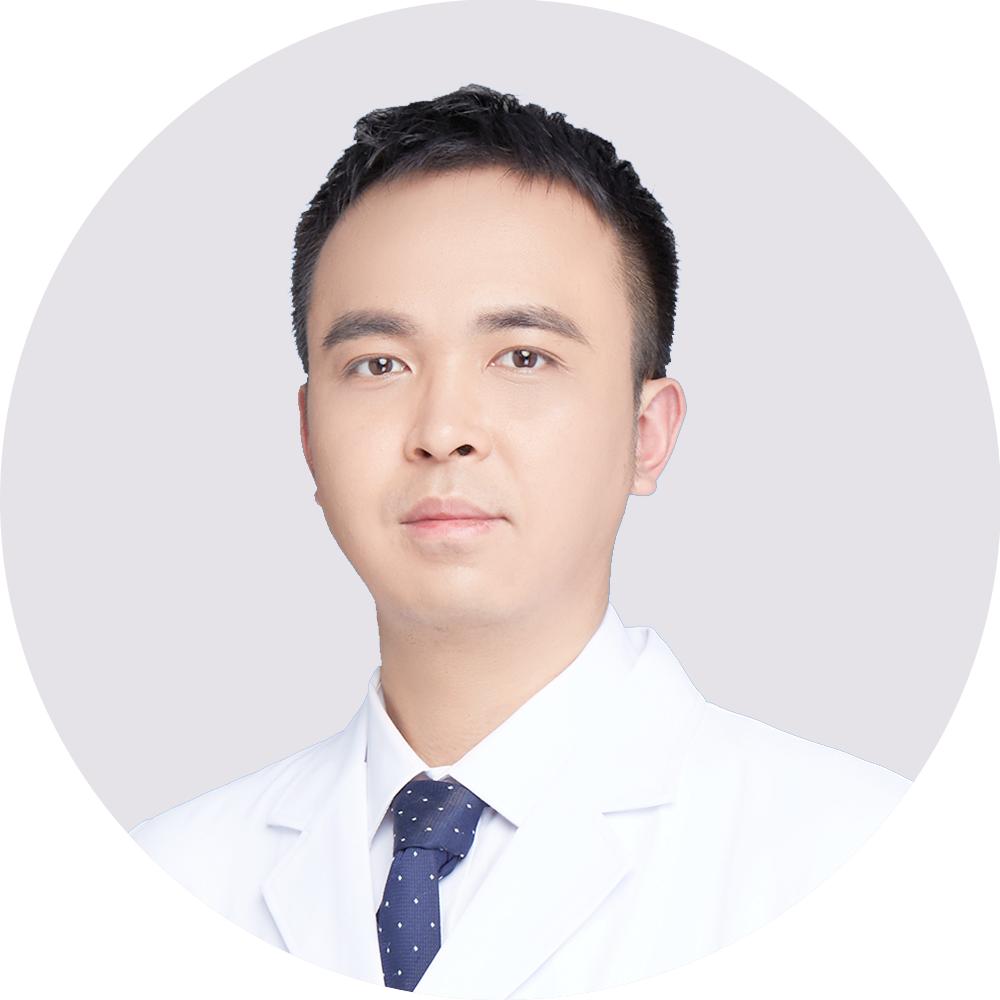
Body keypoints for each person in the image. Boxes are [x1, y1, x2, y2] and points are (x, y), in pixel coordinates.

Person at [129, 84, 911, 997]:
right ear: (309, 436)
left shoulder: (868, 864)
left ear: (646, 434)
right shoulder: (157, 886)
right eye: (378, 364)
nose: (443, 430)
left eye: (524, 357)